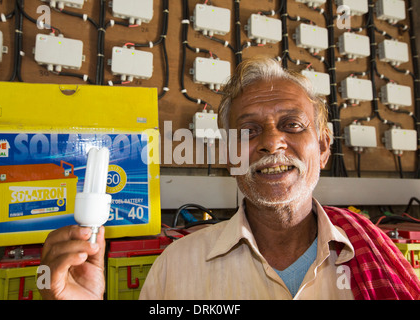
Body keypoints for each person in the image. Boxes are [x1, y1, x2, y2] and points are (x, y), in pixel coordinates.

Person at [39, 56, 420, 300]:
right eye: (250, 130)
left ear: (322, 147)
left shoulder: (375, 255)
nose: (272, 142)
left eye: (291, 125)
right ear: (226, 155)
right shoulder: (176, 267)